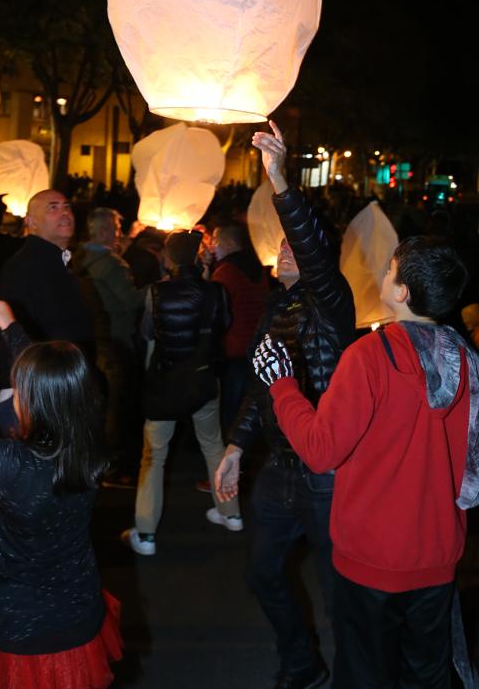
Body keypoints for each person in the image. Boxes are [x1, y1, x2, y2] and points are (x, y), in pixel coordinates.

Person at [256, 235, 476, 688]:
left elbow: (320, 450)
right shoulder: (467, 359)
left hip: (372, 556)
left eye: (391, 269)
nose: (383, 274)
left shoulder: (370, 357)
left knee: (365, 674)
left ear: (402, 293)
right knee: (427, 675)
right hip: (437, 551)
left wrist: (282, 386)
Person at [215, 121, 355, 689]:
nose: (285, 247)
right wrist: (234, 446)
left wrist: (278, 178)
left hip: (325, 471)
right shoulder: (276, 310)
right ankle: (301, 662)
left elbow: (314, 250)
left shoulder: (333, 302)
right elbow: (260, 387)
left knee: (341, 585)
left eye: (296, 243)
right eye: (281, 243)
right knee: (263, 574)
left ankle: (355, 674)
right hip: (278, 470)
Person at [0, 298, 122, 689]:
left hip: (16, 623)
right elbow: (57, 381)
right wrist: (11, 328)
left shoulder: (6, 463)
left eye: (17, 388)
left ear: (31, 400)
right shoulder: (90, 443)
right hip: (75, 609)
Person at [122, 228, 242, 557]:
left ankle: (146, 533)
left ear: (167, 257)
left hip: (165, 385)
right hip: (204, 381)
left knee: (154, 457)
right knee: (213, 446)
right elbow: (225, 324)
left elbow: (146, 334)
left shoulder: (155, 293)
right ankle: (231, 513)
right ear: (197, 257)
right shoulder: (216, 291)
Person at [73, 207, 146, 484]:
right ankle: (114, 464)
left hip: (93, 337)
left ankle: (95, 459)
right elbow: (130, 300)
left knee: (100, 401)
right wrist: (158, 288)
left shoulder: (81, 258)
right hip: (117, 336)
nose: (118, 235)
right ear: (104, 231)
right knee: (118, 404)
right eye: (115, 230)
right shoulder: (111, 263)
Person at [0, 189, 95, 370]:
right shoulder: (23, 266)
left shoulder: (59, 260)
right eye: (53, 208)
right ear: (31, 222)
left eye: (67, 207)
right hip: (45, 379)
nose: (64, 213)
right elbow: (16, 330)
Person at [211, 220, 270, 439]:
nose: (213, 247)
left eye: (215, 241)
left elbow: (217, 311)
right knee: (249, 406)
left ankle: (233, 451)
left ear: (227, 242)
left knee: (232, 408)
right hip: (255, 345)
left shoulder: (226, 272)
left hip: (234, 348)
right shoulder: (257, 268)